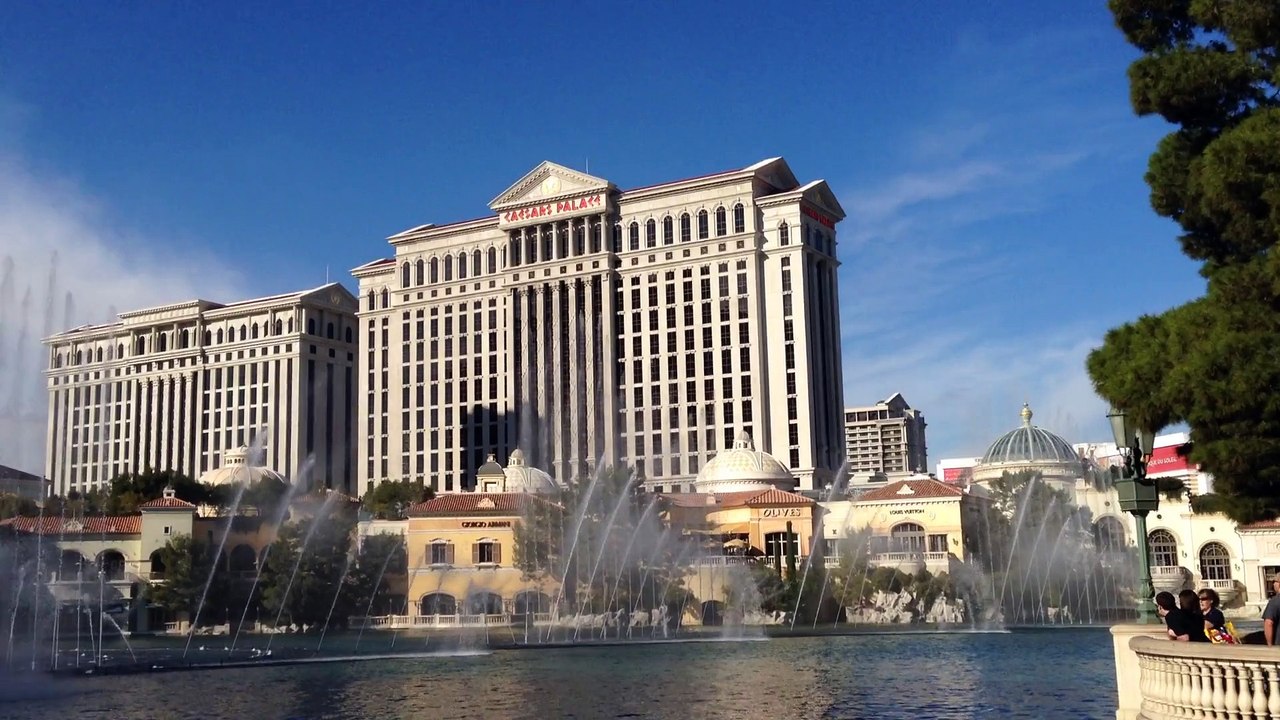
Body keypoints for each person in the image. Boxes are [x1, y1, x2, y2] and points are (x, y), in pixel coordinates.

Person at [1263, 575, 1280, 645]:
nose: (1273, 584)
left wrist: (1269, 645)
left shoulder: (1275, 601)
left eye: (1274, 581)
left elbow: (1268, 623)